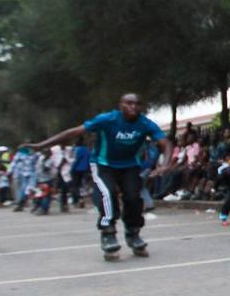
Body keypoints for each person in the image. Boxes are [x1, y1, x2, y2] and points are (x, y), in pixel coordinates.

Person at [24, 93, 172, 259]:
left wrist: (165, 164)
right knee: (107, 194)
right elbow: (73, 132)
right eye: (128, 103)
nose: (133, 107)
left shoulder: (144, 123)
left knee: (133, 197)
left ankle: (133, 233)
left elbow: (165, 143)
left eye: (137, 104)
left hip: (130, 165)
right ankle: (108, 233)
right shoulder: (107, 119)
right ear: (120, 105)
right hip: (103, 165)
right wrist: (41, 145)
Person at [69, 138, 91, 207]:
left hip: (76, 169)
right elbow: (89, 159)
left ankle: (77, 200)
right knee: (82, 185)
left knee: (75, 186)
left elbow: (75, 160)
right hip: (85, 169)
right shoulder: (87, 150)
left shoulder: (77, 149)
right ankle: (81, 199)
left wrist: (71, 169)